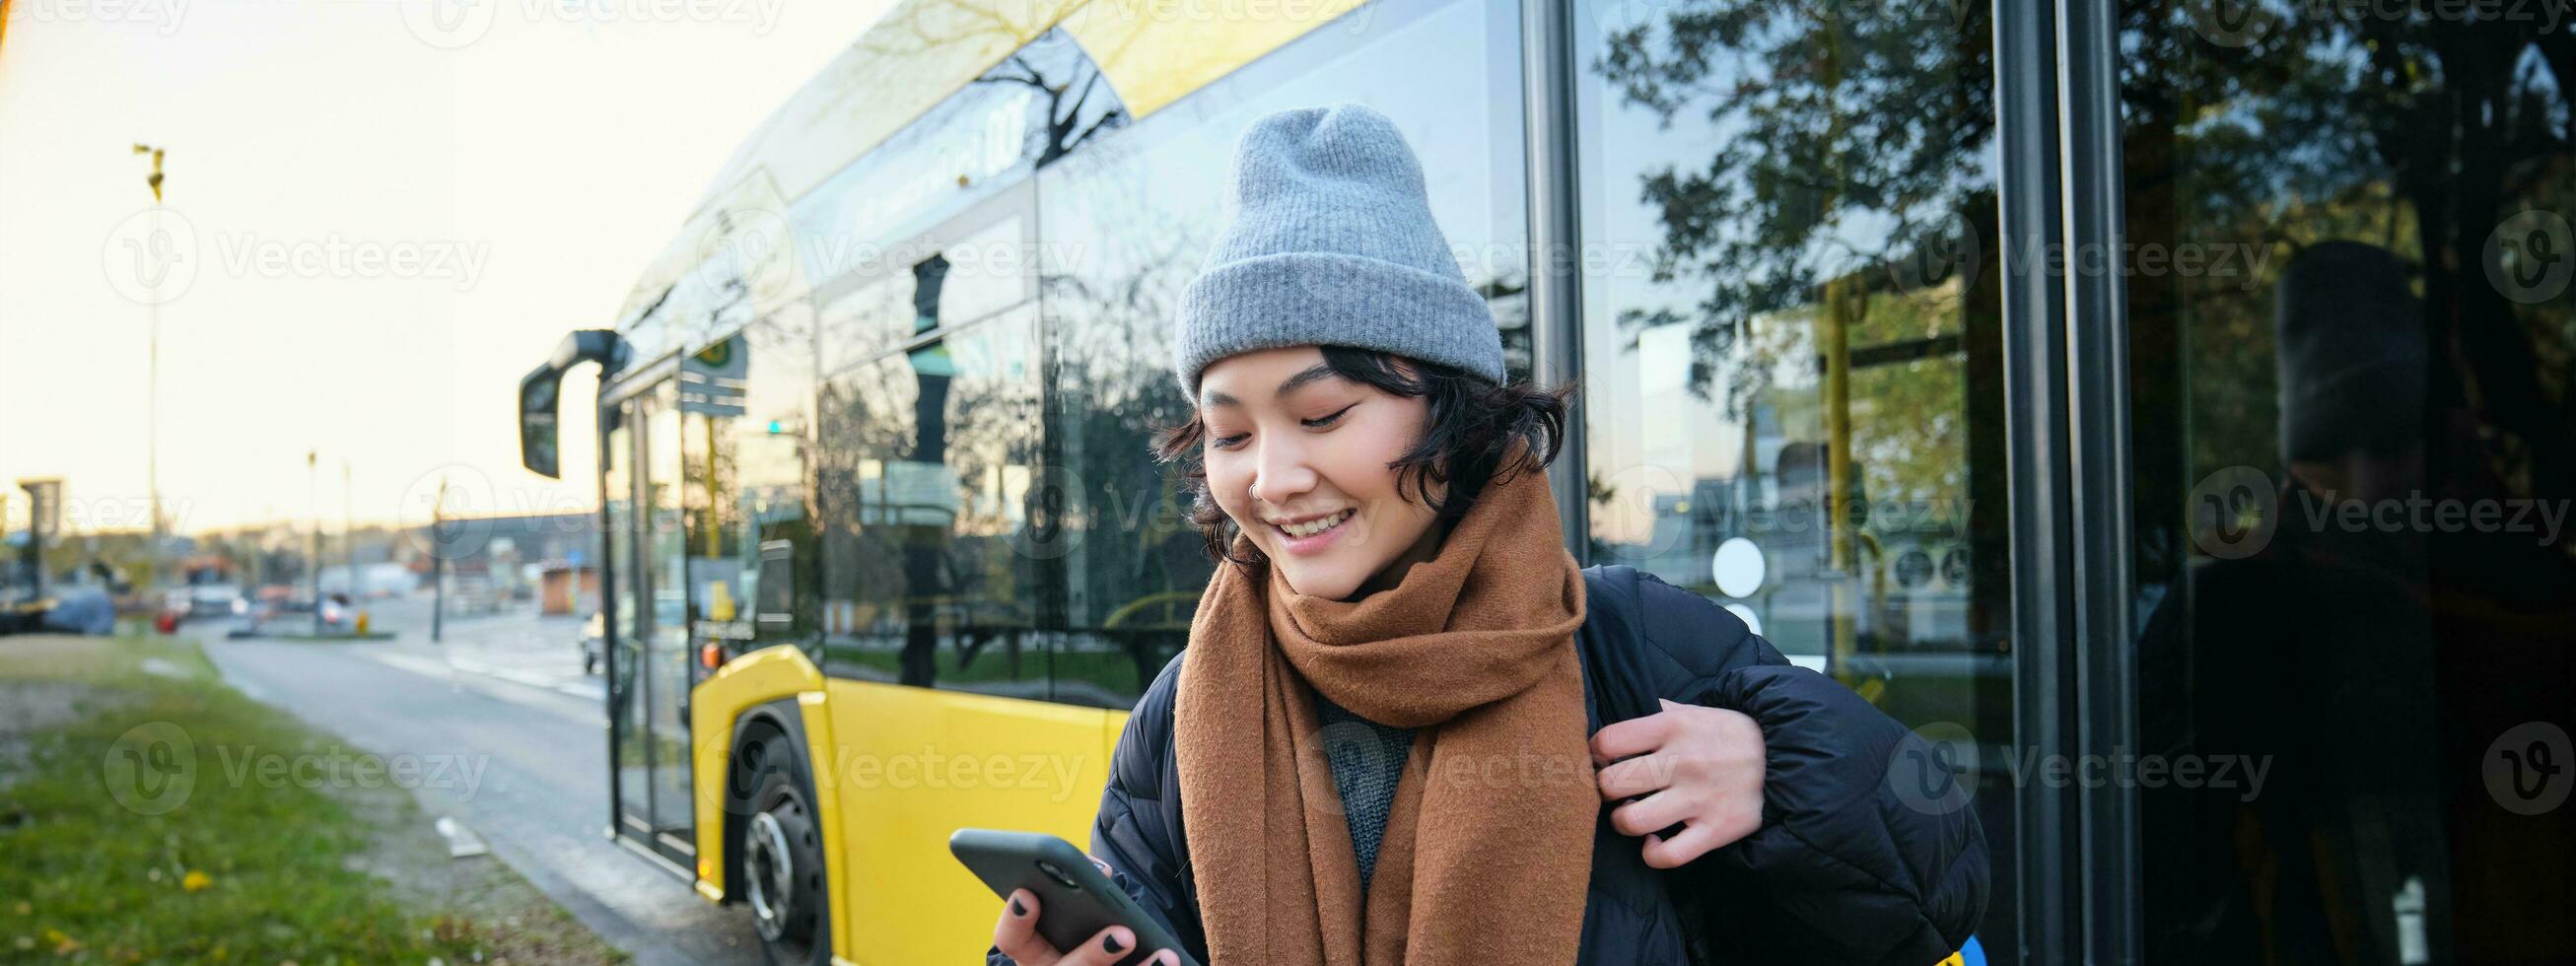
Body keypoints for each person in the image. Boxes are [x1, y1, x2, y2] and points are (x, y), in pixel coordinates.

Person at [990, 103, 1987, 966]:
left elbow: (1938, 891)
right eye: (1230, 430)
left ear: (1448, 408)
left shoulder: (1632, 642)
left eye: (1325, 413)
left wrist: (1779, 775)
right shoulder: (1188, 707)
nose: (1272, 476)